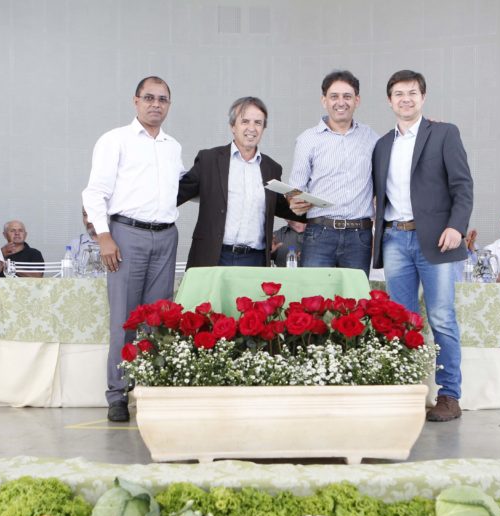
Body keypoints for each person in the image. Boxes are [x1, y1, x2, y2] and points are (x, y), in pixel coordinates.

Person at [372, 70, 473, 422]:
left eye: (412, 93)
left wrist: (456, 227)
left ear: (423, 97)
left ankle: (449, 395)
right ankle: (408, 392)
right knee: (402, 320)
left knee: (442, 318)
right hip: (395, 238)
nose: (406, 99)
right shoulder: (382, 145)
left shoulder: (444, 133)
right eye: (398, 94)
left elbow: (463, 186)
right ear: (389, 101)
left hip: (437, 240)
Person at [82, 76, 184, 422]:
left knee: (157, 319)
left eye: (163, 99)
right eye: (149, 98)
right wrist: (104, 236)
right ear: (136, 101)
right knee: (124, 321)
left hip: (165, 236)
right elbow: (94, 193)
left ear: (169, 105)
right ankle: (118, 394)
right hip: (126, 235)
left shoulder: (172, 146)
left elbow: (180, 188)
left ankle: (150, 389)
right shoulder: (115, 140)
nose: (156, 104)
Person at [177, 96, 300, 268]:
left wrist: (302, 205)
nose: (252, 128)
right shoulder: (209, 160)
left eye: (258, 123)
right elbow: (177, 193)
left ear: (263, 128)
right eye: (245, 121)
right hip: (214, 256)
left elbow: (281, 206)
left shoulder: (272, 168)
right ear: (233, 126)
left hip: (255, 259)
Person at [287, 70, 379, 274]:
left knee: (355, 294)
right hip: (319, 233)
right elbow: (294, 188)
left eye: (347, 96)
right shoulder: (307, 139)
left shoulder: (372, 138)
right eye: (334, 96)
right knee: (315, 293)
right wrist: (294, 201)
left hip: (359, 236)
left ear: (357, 100)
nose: (341, 102)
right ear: (324, 101)